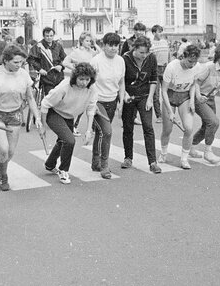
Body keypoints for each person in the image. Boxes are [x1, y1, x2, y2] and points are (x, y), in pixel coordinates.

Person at [0, 45, 41, 191]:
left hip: (15, 114)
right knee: (3, 149)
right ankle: (3, 177)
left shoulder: (23, 74)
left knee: (10, 151)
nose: (19, 65)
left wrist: (38, 118)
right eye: (16, 62)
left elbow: (30, 98)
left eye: (22, 62)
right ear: (5, 60)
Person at [39, 63, 98, 184]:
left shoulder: (91, 88)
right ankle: (63, 170)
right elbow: (45, 103)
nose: (84, 82)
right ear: (75, 77)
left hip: (69, 115)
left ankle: (50, 164)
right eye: (81, 79)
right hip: (54, 113)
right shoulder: (65, 86)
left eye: (87, 79)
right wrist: (43, 125)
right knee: (69, 140)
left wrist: (88, 130)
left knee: (63, 140)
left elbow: (91, 108)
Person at [89, 32, 126, 179]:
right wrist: (92, 104)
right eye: (110, 45)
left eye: (116, 45)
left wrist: (121, 101)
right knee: (107, 131)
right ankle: (104, 165)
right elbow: (89, 84)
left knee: (101, 132)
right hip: (98, 101)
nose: (113, 48)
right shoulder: (96, 61)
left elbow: (121, 82)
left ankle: (95, 161)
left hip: (112, 100)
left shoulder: (120, 61)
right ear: (103, 45)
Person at [121, 36, 160, 173]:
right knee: (128, 127)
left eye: (146, 53)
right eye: (141, 52)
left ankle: (153, 162)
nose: (144, 56)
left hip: (144, 96)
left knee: (148, 127)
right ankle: (128, 157)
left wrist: (150, 99)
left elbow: (153, 79)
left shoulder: (151, 58)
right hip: (129, 96)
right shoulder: (125, 58)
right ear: (134, 49)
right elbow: (121, 80)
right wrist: (124, 95)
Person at [159, 44, 200, 169]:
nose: (192, 64)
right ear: (184, 57)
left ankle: (184, 159)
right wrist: (170, 112)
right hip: (170, 96)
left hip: (185, 97)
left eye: (195, 61)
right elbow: (164, 90)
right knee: (167, 129)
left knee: (188, 128)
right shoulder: (172, 67)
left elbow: (193, 84)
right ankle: (163, 153)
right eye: (189, 61)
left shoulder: (196, 67)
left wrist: (192, 101)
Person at [63, 32, 99, 136]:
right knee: (79, 104)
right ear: (81, 41)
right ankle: (73, 125)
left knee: (89, 104)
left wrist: (95, 44)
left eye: (90, 41)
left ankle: (82, 126)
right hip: (80, 81)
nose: (89, 43)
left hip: (90, 81)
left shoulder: (91, 52)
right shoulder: (76, 52)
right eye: (87, 41)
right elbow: (65, 62)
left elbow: (100, 53)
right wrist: (75, 68)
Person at [28, 27, 66, 95]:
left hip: (59, 77)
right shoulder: (38, 47)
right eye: (47, 36)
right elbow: (31, 59)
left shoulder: (58, 46)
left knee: (60, 98)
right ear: (43, 36)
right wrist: (39, 69)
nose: (49, 38)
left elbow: (65, 58)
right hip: (46, 78)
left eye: (51, 36)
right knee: (50, 98)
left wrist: (61, 66)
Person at [150, 25, 170, 123]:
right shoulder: (151, 44)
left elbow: (169, 55)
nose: (161, 33)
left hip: (166, 69)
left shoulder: (165, 42)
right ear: (154, 33)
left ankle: (168, 113)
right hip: (155, 69)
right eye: (159, 31)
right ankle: (159, 116)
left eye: (161, 31)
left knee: (167, 93)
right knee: (156, 95)